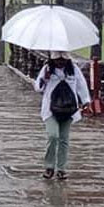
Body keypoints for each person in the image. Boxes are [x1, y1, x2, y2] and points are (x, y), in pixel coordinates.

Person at [34, 51, 91, 180]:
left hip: (68, 108)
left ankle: (61, 168)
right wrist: (45, 78)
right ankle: (49, 166)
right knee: (53, 136)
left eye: (63, 60)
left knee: (64, 139)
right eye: (58, 60)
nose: (60, 63)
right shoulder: (47, 69)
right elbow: (38, 88)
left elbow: (81, 85)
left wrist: (86, 101)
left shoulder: (73, 69)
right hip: (51, 108)